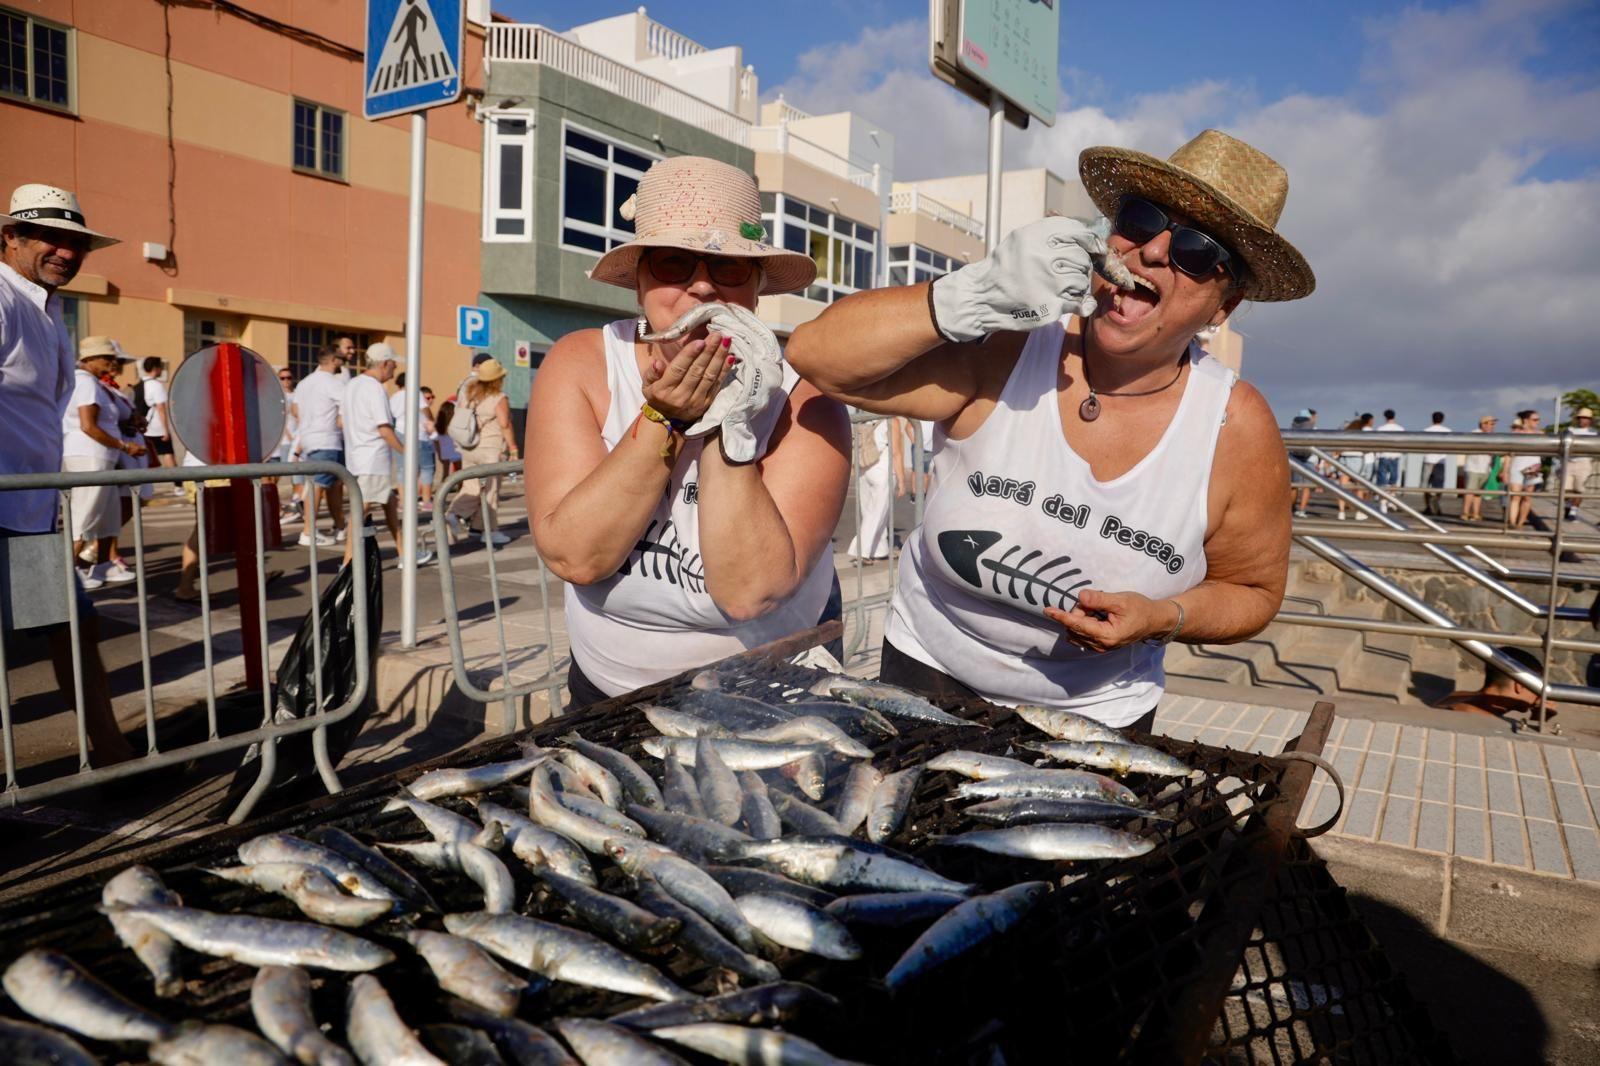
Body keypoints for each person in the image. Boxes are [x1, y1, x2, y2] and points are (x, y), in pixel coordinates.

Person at [786, 129, 1313, 729]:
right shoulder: (1011, 346)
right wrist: (975, 290)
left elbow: (1253, 590)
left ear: (1224, 304)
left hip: (1094, 717)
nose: (1155, 252)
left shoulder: (1236, 426)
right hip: (926, 676)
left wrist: (1164, 617)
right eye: (1141, 220)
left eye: (1197, 249)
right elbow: (817, 357)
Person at [526, 155, 849, 706]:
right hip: (609, 690)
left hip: (773, 693)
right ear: (640, 285)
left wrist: (732, 418)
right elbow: (575, 557)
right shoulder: (580, 363)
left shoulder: (807, 395)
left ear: (756, 288)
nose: (701, 288)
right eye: (674, 264)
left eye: (728, 269)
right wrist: (664, 420)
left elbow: (752, 592)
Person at [0, 183, 136, 763]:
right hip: (4, 508)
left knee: (71, 630)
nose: (66, 251)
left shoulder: (48, 312)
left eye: (76, 243)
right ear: (11, 237)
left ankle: (111, 751)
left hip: (29, 512)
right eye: (52, 238)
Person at [340, 342, 432, 567]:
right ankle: (348, 563)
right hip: (372, 459)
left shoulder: (352, 385)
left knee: (389, 503)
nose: (394, 371)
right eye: (393, 365)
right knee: (360, 512)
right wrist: (406, 452)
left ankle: (404, 553)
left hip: (357, 457)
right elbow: (384, 428)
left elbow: (341, 420)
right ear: (384, 364)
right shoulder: (374, 388)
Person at [62, 336, 143, 585]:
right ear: (89, 359)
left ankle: (103, 566)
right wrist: (123, 446)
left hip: (100, 457)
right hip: (89, 457)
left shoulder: (94, 383)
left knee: (109, 515)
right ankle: (65, 573)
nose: (112, 361)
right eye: (106, 357)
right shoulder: (86, 382)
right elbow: (89, 426)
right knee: (84, 515)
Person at [447, 360, 518, 544]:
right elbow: (504, 423)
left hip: (470, 447)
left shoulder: (470, 393)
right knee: (490, 491)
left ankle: (475, 527)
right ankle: (488, 531)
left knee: (470, 486)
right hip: (490, 449)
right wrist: (513, 447)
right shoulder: (498, 397)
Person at [290, 345, 347, 546]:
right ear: (333, 360)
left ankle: (340, 526)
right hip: (326, 439)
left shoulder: (305, 382)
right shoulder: (332, 382)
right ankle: (308, 532)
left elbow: (295, 409)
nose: (343, 362)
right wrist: (337, 419)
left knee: (333, 485)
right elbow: (348, 407)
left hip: (310, 438)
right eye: (341, 358)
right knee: (318, 485)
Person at [1433, 647, 1549, 719]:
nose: (1540, 694)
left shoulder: (1458, 696)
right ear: (1520, 685)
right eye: (1537, 686)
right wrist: (1539, 719)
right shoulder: (1480, 721)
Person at [847, 416, 895, 561]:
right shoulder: (891, 421)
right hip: (882, 468)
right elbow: (897, 451)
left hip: (865, 466)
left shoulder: (864, 420)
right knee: (878, 512)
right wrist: (901, 476)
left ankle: (880, 549)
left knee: (868, 510)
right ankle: (860, 551)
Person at [389, 372, 437, 512]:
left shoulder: (393, 397)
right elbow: (426, 410)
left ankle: (404, 502)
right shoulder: (416, 393)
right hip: (419, 434)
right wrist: (431, 421)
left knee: (402, 468)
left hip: (400, 433)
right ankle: (426, 501)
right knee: (426, 468)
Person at [136, 357, 175, 476]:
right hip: (158, 428)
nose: (162, 370)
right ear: (155, 368)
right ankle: (177, 484)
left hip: (144, 427)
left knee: (147, 457)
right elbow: (161, 409)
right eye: (160, 367)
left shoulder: (139, 385)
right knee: (168, 454)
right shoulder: (156, 385)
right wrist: (166, 430)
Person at [1335, 413, 1374, 521]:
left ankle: (1341, 512)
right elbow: (1366, 449)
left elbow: (1338, 449)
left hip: (1344, 458)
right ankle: (1359, 512)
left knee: (1342, 488)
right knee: (1359, 487)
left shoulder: (1346, 434)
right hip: (1357, 459)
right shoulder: (1361, 434)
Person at [1507, 414, 1543, 529]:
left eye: (1538, 419)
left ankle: (1520, 523)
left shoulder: (1540, 435)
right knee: (1515, 496)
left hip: (1533, 467)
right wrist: (1505, 470)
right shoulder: (1516, 435)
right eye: (1535, 419)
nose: (1537, 422)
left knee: (1527, 497)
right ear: (1526, 421)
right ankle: (1512, 522)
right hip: (1517, 466)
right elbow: (1509, 453)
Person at [1461, 414, 1497, 521]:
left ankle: (1475, 513)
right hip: (1473, 467)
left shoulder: (1492, 436)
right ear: (1483, 424)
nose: (1493, 426)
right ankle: (1465, 513)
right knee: (1470, 491)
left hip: (1485, 468)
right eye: (1491, 424)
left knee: (1478, 493)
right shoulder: (1475, 434)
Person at [1562, 406, 1594, 521]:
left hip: (1584, 462)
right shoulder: (1570, 430)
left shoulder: (1594, 433)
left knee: (1579, 489)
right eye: (1580, 418)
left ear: (1590, 420)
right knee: (1566, 489)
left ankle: (1573, 510)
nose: (1582, 420)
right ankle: (1568, 505)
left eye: (1585, 418)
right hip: (1569, 461)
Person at [1421, 410, 1452, 516]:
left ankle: (1428, 506)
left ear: (1432, 419)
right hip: (1440, 461)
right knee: (1438, 486)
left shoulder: (1426, 430)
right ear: (1442, 419)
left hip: (1428, 459)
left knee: (1425, 486)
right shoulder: (1447, 431)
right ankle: (1436, 503)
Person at [1374, 409, 1404, 512]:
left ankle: (1383, 504)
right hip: (1395, 456)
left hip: (1383, 455)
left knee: (1382, 481)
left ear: (1385, 417)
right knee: (1393, 480)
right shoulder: (1400, 429)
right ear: (1394, 416)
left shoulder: (1381, 428)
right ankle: (1392, 501)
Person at [1288, 408, 1315, 517]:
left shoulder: (1293, 425)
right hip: (1308, 457)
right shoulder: (1310, 425)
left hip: (1294, 456)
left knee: (1293, 485)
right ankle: (1302, 510)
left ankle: (1291, 509)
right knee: (1306, 486)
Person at [435, 400, 463, 477]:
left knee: (445, 473)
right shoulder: (454, 426)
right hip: (457, 453)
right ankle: (460, 487)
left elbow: (436, 441)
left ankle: (445, 487)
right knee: (460, 473)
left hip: (444, 454)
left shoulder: (439, 427)